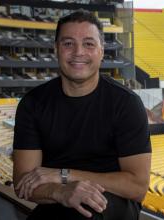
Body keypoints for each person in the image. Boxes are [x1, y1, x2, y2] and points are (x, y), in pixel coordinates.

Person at [13, 10, 151, 220]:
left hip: (111, 201)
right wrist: (61, 191)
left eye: (88, 44)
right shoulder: (33, 103)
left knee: (86, 212)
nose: (78, 52)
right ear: (56, 49)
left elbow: (137, 187)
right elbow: (22, 182)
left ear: (102, 51)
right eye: (68, 43)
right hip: (56, 200)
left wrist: (65, 175)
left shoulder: (126, 103)